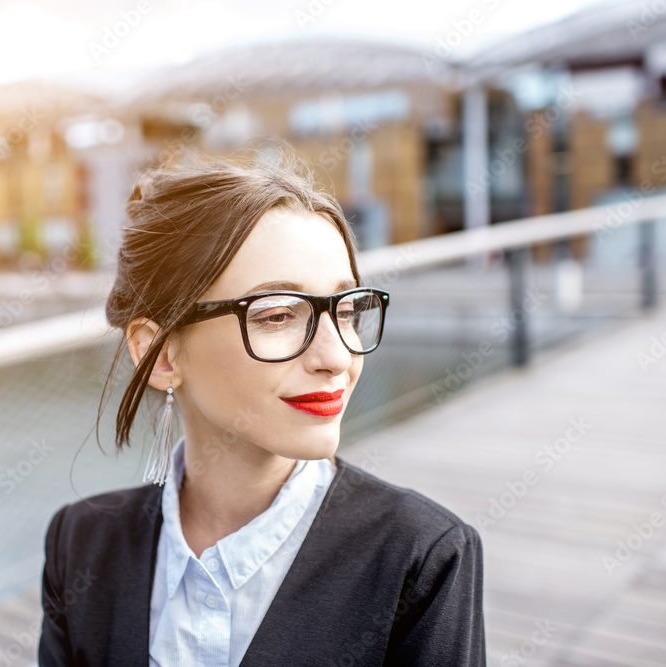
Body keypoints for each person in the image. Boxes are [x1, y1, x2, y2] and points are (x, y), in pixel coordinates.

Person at [37, 148, 486, 666]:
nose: (336, 356)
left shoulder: (423, 559)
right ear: (160, 355)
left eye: (346, 310)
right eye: (276, 316)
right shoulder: (82, 545)